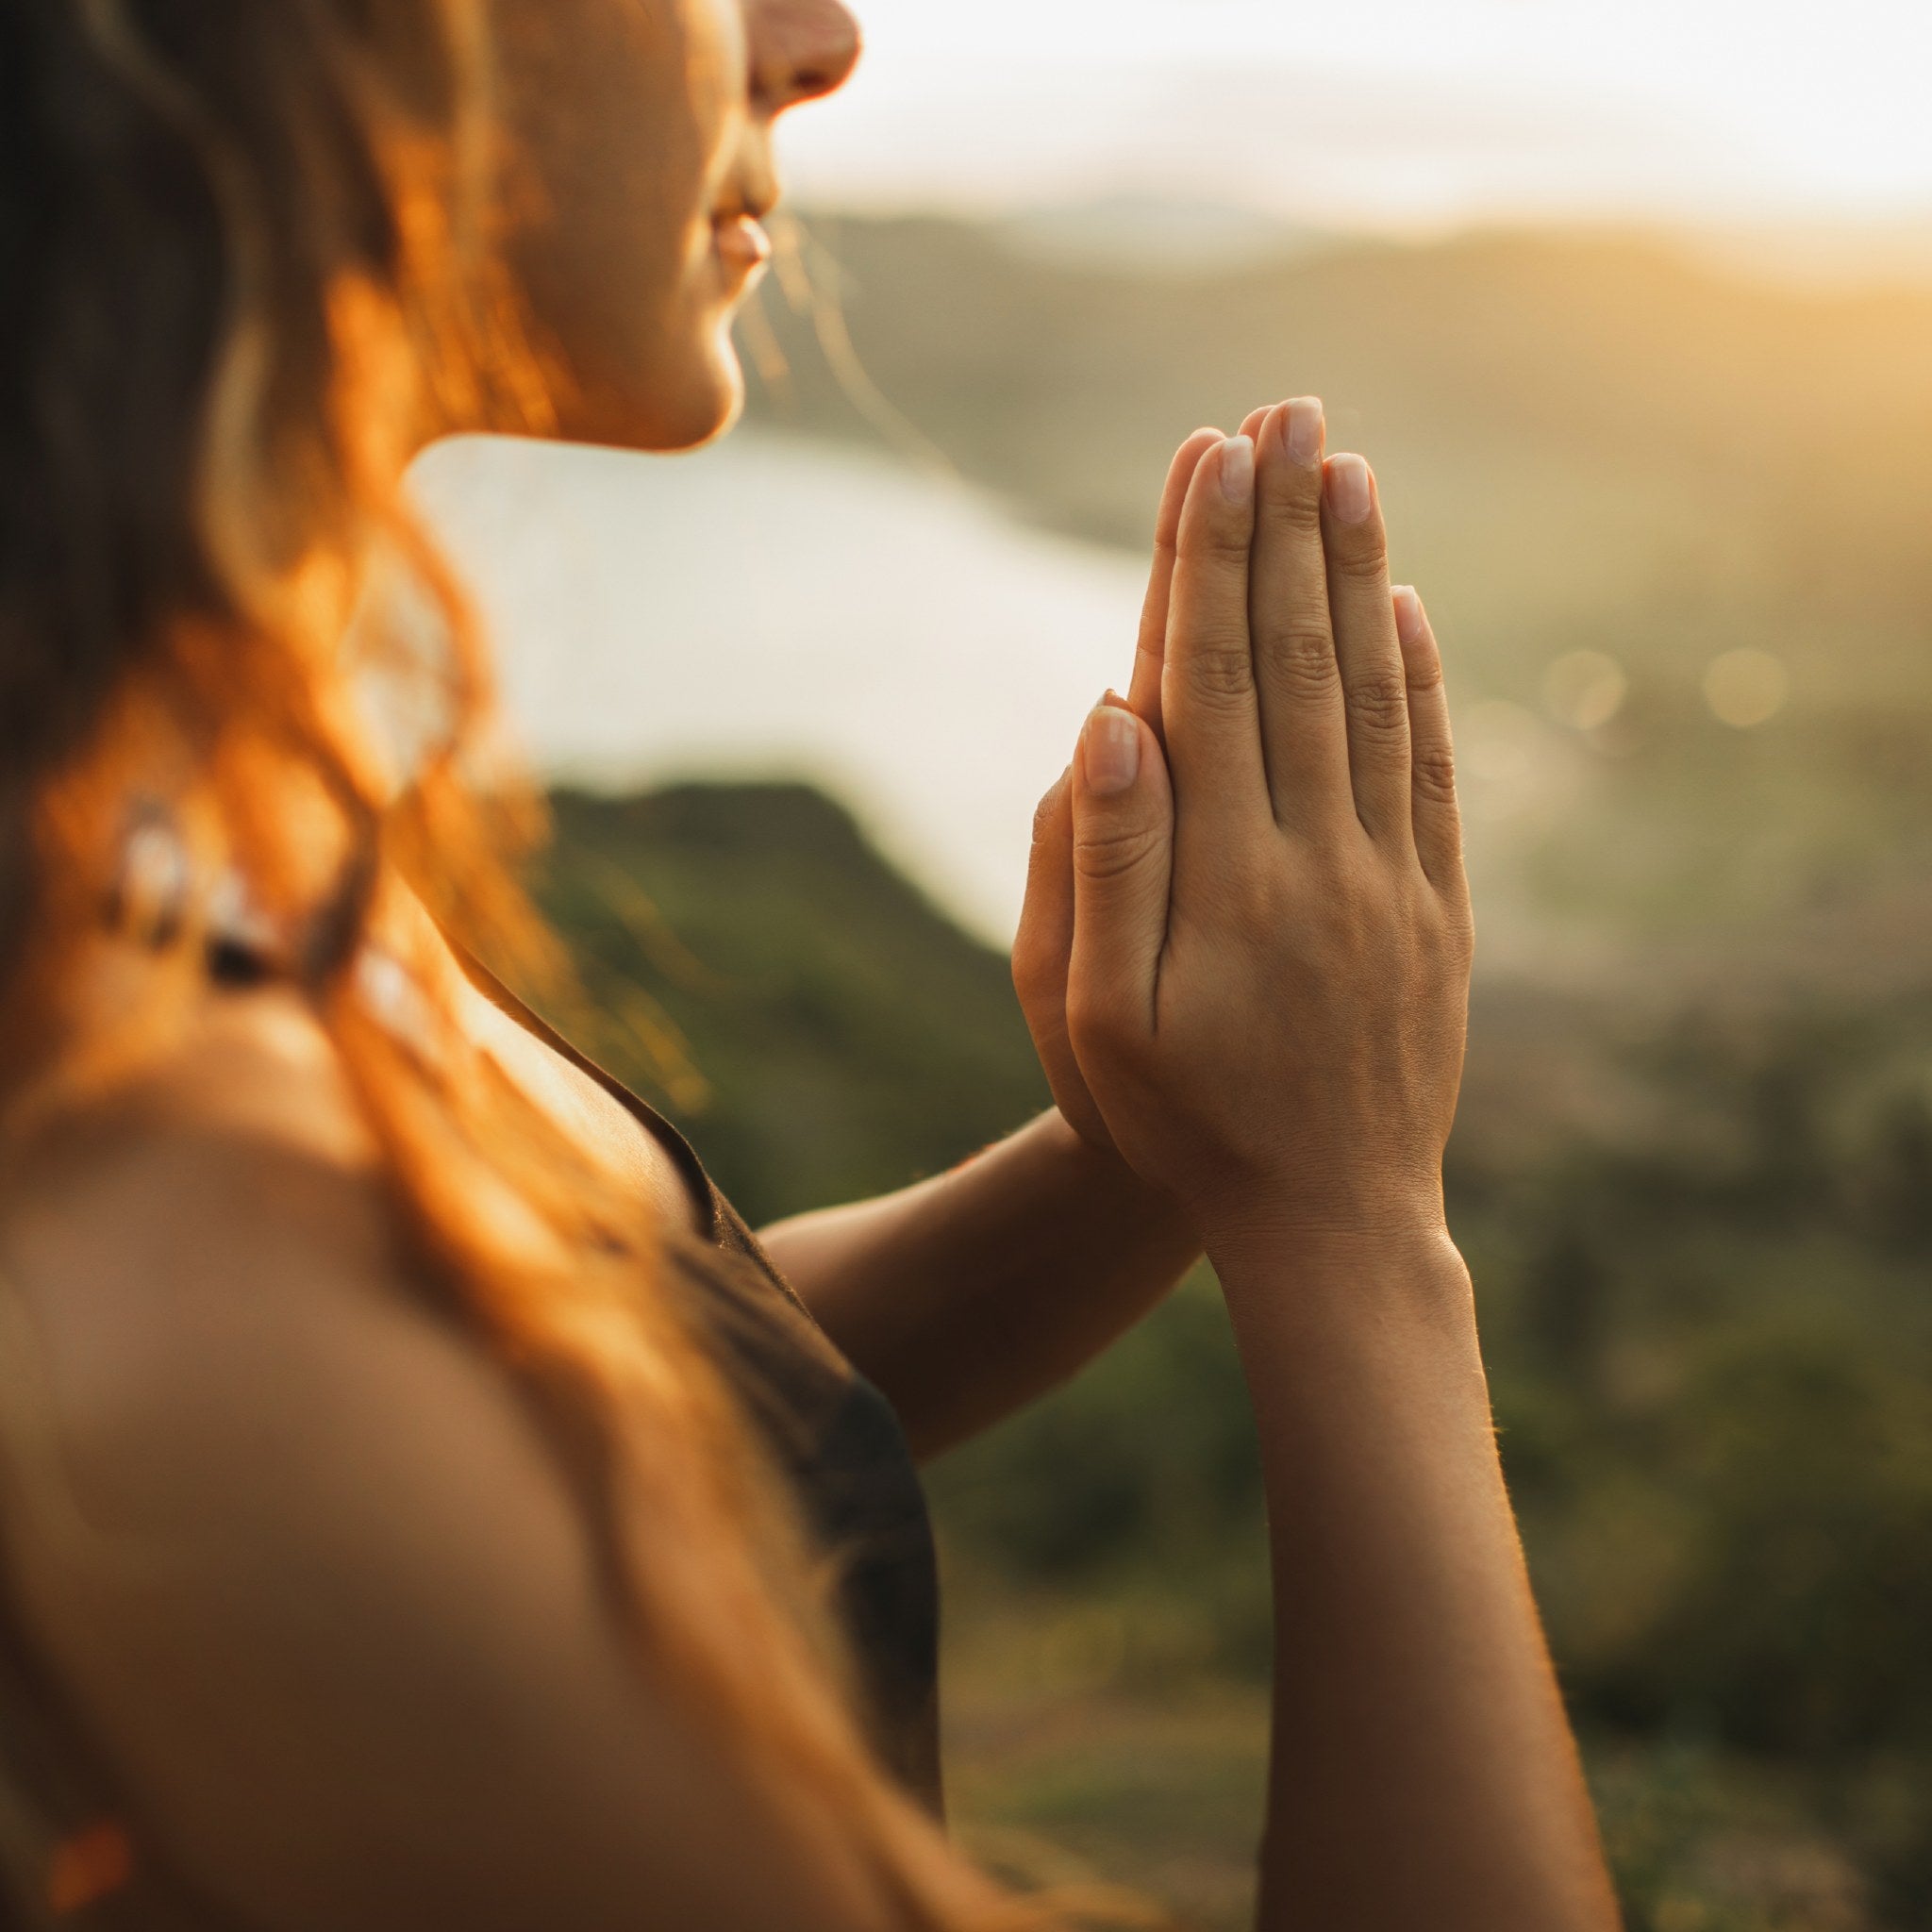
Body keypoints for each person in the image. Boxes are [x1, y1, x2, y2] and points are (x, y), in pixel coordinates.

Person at [0, 2, 1622, 1928]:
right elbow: (365, 1388)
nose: (820, 38)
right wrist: (1352, 1231)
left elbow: (664, 1377)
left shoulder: (172, 821)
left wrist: (1150, 1151)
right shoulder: (197, 1230)